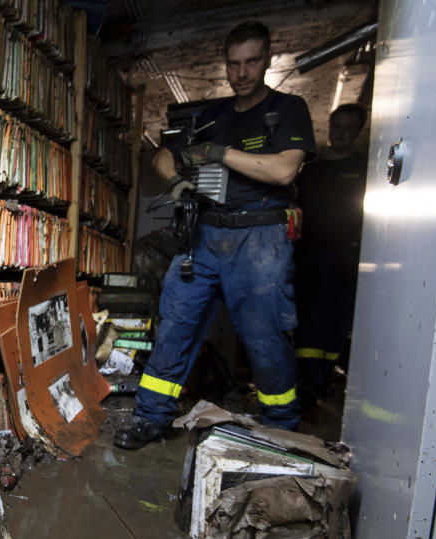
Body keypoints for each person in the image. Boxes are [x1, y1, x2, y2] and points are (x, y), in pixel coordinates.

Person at [114, 21, 316, 450]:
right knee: (175, 326)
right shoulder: (211, 115)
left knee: (265, 338)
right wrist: (176, 183)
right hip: (204, 238)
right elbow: (164, 156)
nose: (241, 73)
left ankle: (280, 428)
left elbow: (283, 170)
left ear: (265, 60)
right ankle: (150, 417)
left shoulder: (289, 108)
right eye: (234, 64)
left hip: (261, 236)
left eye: (251, 62)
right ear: (225, 64)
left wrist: (220, 153)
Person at [293, 104, 368, 406]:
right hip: (306, 256)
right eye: (338, 125)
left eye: (350, 127)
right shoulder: (311, 169)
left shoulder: (364, 169)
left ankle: (323, 379)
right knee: (305, 320)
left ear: (358, 131)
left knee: (334, 321)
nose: (342, 133)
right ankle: (305, 382)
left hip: (343, 258)